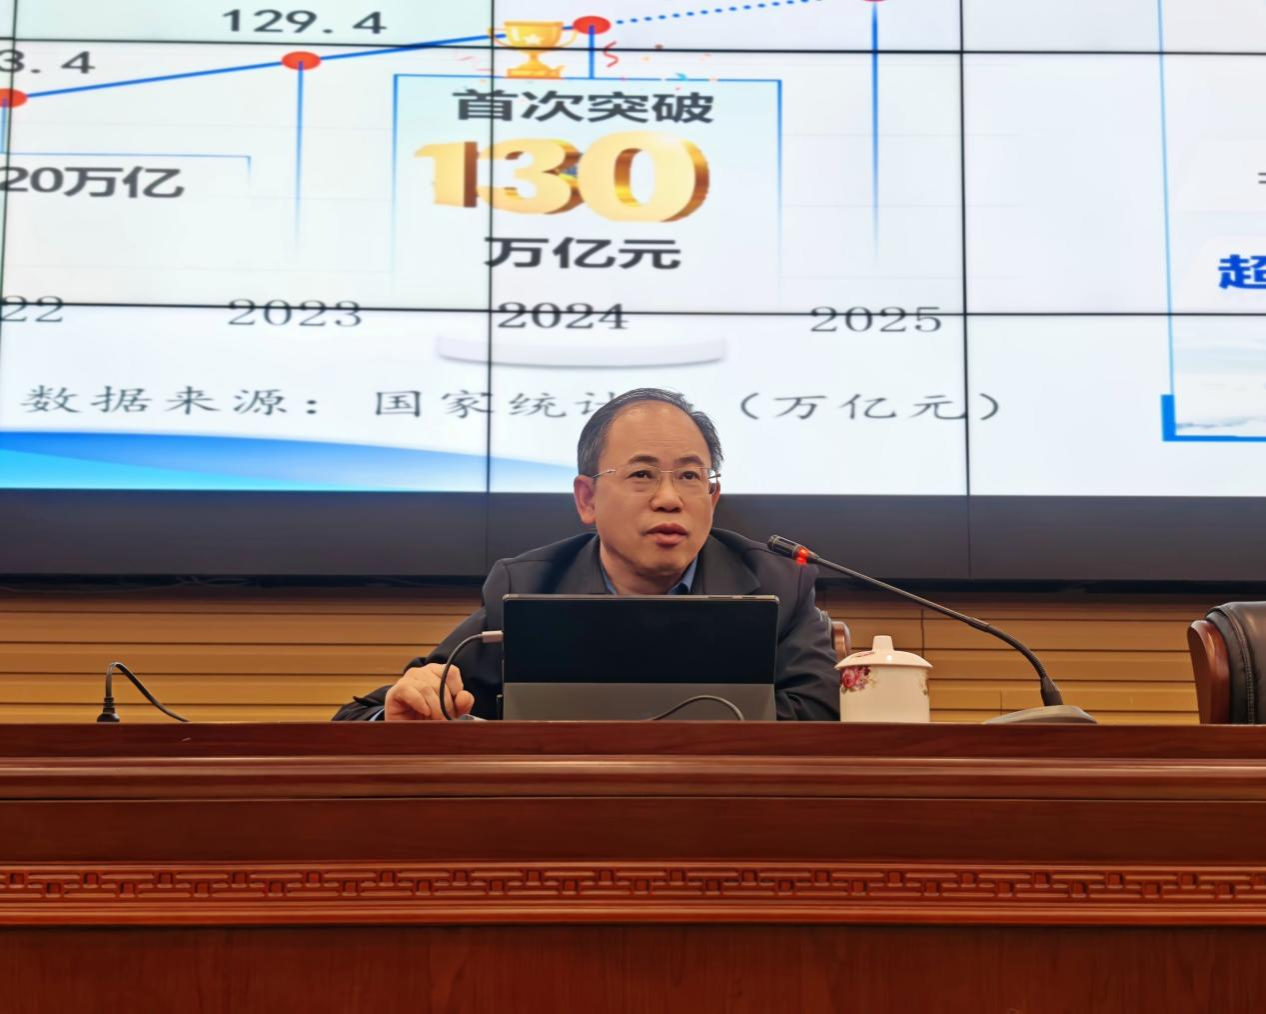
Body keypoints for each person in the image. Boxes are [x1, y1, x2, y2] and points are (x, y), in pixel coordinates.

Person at [332, 388, 839, 722]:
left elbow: (822, 721)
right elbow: (364, 718)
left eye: (690, 476)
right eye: (642, 474)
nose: (669, 498)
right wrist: (401, 711)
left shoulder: (778, 584)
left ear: (712, 498)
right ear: (587, 499)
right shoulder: (528, 590)